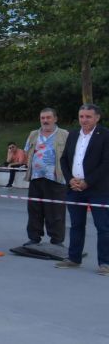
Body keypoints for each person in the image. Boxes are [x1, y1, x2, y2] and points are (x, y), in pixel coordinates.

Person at [55, 104, 109, 275]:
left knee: (103, 227)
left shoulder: (105, 135)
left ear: (97, 118)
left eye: (88, 117)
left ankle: (105, 263)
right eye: (81, 116)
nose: (84, 120)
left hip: (98, 190)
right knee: (76, 225)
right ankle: (74, 258)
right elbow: (64, 160)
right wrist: (70, 179)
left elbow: (106, 163)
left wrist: (87, 182)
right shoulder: (72, 135)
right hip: (74, 189)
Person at [23, 108, 69, 246]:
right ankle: (34, 238)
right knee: (34, 209)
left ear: (55, 119)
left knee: (56, 211)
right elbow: (27, 152)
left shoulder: (64, 135)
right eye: (42, 118)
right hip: (36, 178)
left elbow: (71, 155)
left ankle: (57, 240)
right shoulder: (33, 134)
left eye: (48, 117)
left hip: (56, 179)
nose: (45, 120)